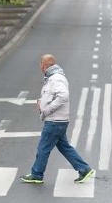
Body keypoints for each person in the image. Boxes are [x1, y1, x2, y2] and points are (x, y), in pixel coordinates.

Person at [20, 54, 95, 184]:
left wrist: (47, 109)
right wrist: (42, 102)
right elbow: (52, 95)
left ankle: (37, 174)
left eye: (40, 64)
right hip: (58, 120)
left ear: (43, 65)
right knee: (64, 147)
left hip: (55, 121)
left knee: (43, 148)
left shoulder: (56, 79)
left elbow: (63, 96)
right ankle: (84, 169)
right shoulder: (53, 77)